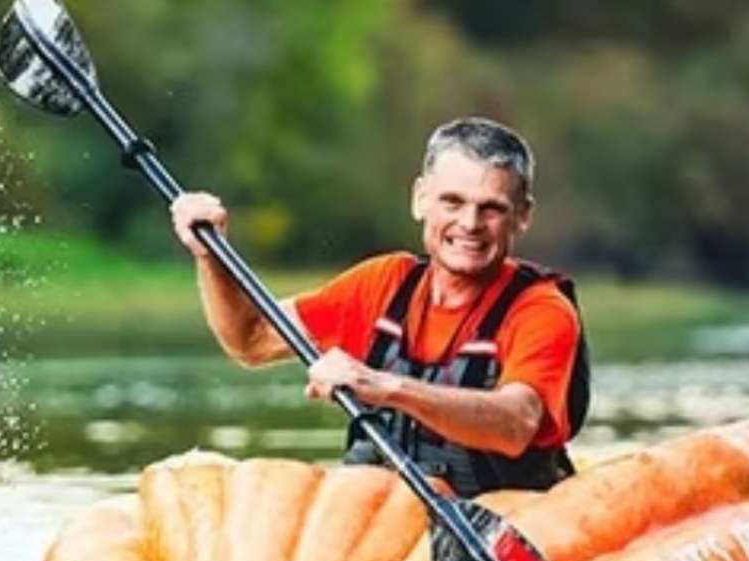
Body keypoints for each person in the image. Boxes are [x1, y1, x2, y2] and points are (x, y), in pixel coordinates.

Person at [169, 116, 589, 497]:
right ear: (420, 199)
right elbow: (251, 339)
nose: (470, 224)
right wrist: (211, 255)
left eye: (492, 208)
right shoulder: (382, 285)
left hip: (502, 534)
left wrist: (387, 387)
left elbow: (516, 424)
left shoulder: (541, 310)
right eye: (452, 202)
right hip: (383, 530)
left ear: (522, 216)